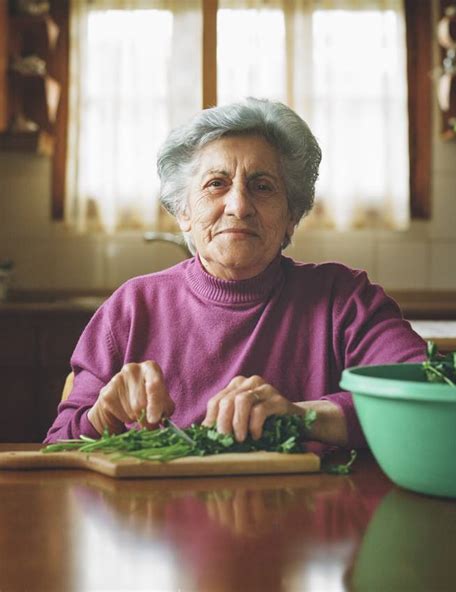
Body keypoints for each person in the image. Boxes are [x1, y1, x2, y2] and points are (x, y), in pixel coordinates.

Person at [45, 97, 426, 449]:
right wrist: (102, 417)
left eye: (262, 186)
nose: (239, 205)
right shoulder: (131, 308)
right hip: (159, 521)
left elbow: (427, 395)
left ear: (292, 217)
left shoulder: (345, 300)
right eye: (216, 184)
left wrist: (300, 416)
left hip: (307, 517)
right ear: (183, 213)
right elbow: (57, 449)